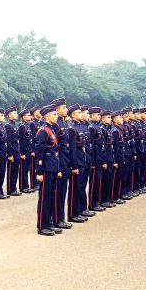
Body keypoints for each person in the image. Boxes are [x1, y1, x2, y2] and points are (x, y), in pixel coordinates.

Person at [34, 105, 63, 236]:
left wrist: (58, 169)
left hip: (53, 165)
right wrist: (39, 172)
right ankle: (42, 225)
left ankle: (49, 223)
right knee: (44, 198)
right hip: (45, 167)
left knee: (51, 197)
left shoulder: (53, 128)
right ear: (46, 116)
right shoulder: (43, 131)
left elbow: (55, 150)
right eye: (54, 114)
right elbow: (39, 153)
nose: (57, 116)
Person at [50, 98, 72, 230]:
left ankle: (60, 218)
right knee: (58, 192)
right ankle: (57, 219)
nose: (66, 110)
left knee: (63, 191)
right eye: (64, 108)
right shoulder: (56, 125)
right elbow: (55, 147)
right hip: (60, 162)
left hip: (66, 160)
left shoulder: (63, 123)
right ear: (57, 110)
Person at [66, 104, 89, 223]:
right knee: (74, 188)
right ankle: (72, 214)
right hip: (76, 161)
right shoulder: (71, 128)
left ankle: (80, 210)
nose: (82, 114)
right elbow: (72, 149)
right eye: (79, 113)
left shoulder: (81, 126)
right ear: (73, 115)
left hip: (82, 158)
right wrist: (74, 166)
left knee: (81, 186)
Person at [5, 106, 21, 196]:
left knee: (15, 171)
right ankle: (10, 189)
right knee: (11, 171)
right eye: (14, 113)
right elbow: (8, 141)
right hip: (12, 151)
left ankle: (13, 188)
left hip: (16, 150)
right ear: (10, 115)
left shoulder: (14, 125)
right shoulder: (8, 126)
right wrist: (10, 154)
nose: (16, 115)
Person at [18, 109, 35, 194]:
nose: (30, 116)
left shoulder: (27, 126)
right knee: (23, 170)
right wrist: (22, 153)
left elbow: (30, 140)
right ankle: (23, 187)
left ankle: (26, 186)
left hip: (28, 150)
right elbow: (21, 141)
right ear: (23, 117)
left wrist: (31, 150)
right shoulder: (22, 126)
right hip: (24, 151)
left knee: (27, 169)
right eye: (28, 115)